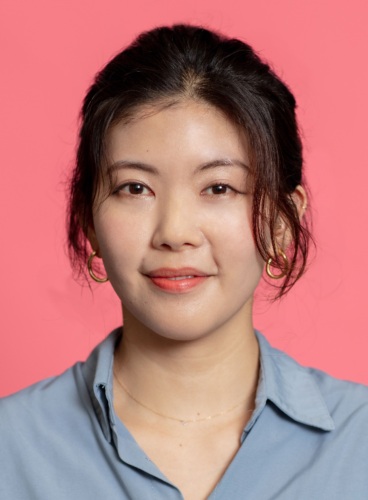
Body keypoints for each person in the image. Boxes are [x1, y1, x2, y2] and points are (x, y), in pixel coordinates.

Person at [1, 24, 367, 500]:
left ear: (281, 222)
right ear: (88, 219)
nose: (174, 232)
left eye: (219, 188)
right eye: (134, 188)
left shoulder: (359, 444)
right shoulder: (10, 447)